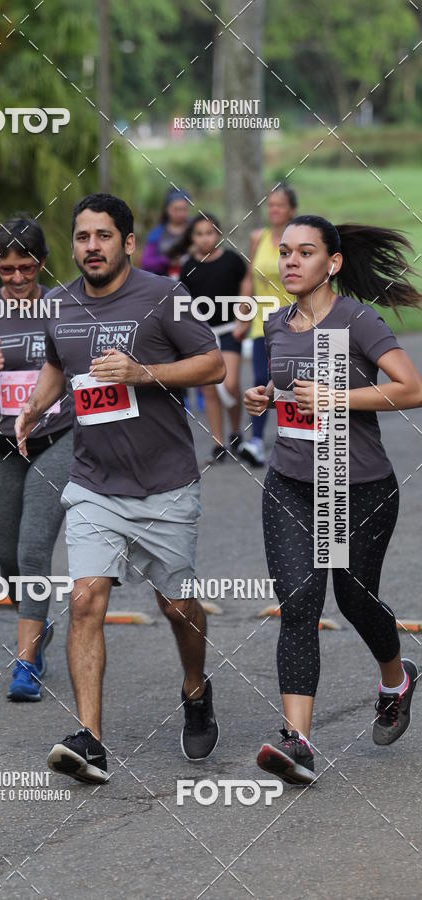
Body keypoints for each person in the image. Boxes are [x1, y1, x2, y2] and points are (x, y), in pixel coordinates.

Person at [15, 193, 226, 783]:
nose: (92, 247)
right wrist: (35, 405)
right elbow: (60, 364)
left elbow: (213, 365)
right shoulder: (56, 305)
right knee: (84, 600)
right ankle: (91, 739)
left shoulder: (164, 296)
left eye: (103, 236)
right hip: (94, 484)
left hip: (164, 483)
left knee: (177, 607)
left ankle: (195, 687)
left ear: (128, 243)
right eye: (82, 237)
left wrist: (143, 372)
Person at [244, 215, 422, 784]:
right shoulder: (277, 326)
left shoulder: (358, 320)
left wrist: (337, 397)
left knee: (353, 598)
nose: (291, 261)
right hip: (293, 484)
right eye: (285, 252)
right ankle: (298, 742)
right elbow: (295, 397)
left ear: (333, 264)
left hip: (358, 486)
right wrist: (265, 399)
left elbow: (411, 389)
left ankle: (396, 678)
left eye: (305, 252)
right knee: (298, 606)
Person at [0, 216, 74, 702]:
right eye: (8, 270)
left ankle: (26, 664)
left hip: (56, 439)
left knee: (32, 551)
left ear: (42, 263)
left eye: (27, 267)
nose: (19, 279)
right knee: (9, 565)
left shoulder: (63, 306)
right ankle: (37, 623)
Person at [177, 212, 249, 463]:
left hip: (230, 329)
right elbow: (184, 302)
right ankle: (218, 443)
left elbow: (246, 287)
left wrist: (244, 317)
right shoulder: (188, 266)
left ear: (218, 233)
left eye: (209, 232)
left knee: (229, 384)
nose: (205, 238)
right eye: (199, 234)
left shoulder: (232, 260)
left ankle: (236, 431)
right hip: (202, 334)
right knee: (209, 389)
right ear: (192, 237)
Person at [238, 184, 297, 467]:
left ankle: (296, 441)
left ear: (292, 210)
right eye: (271, 205)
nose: (274, 210)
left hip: (294, 323)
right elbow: (250, 278)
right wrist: (242, 314)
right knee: (261, 378)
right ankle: (257, 441)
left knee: (290, 384)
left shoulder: (298, 240)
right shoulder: (257, 237)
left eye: (280, 205)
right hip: (263, 324)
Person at [140, 188, 191, 278]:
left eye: (184, 209)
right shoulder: (156, 233)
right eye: (176, 209)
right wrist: (167, 261)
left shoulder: (196, 231)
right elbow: (146, 262)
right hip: (164, 283)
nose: (180, 213)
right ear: (167, 209)